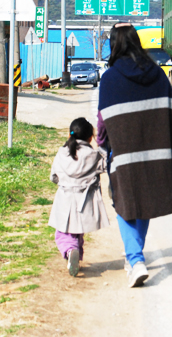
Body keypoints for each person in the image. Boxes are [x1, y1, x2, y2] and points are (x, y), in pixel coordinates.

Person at [97, 23, 172, 288]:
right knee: (142, 201)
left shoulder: (110, 78)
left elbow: (102, 121)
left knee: (123, 202)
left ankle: (135, 260)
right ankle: (134, 256)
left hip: (124, 152)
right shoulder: (158, 74)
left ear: (114, 45)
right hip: (155, 150)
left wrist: (102, 145)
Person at [48, 117, 110, 277]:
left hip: (65, 200)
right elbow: (106, 165)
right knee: (77, 232)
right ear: (90, 137)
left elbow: (53, 177)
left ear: (69, 135)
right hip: (85, 203)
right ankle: (75, 256)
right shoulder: (94, 156)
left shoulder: (62, 153)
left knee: (63, 233)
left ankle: (71, 251)